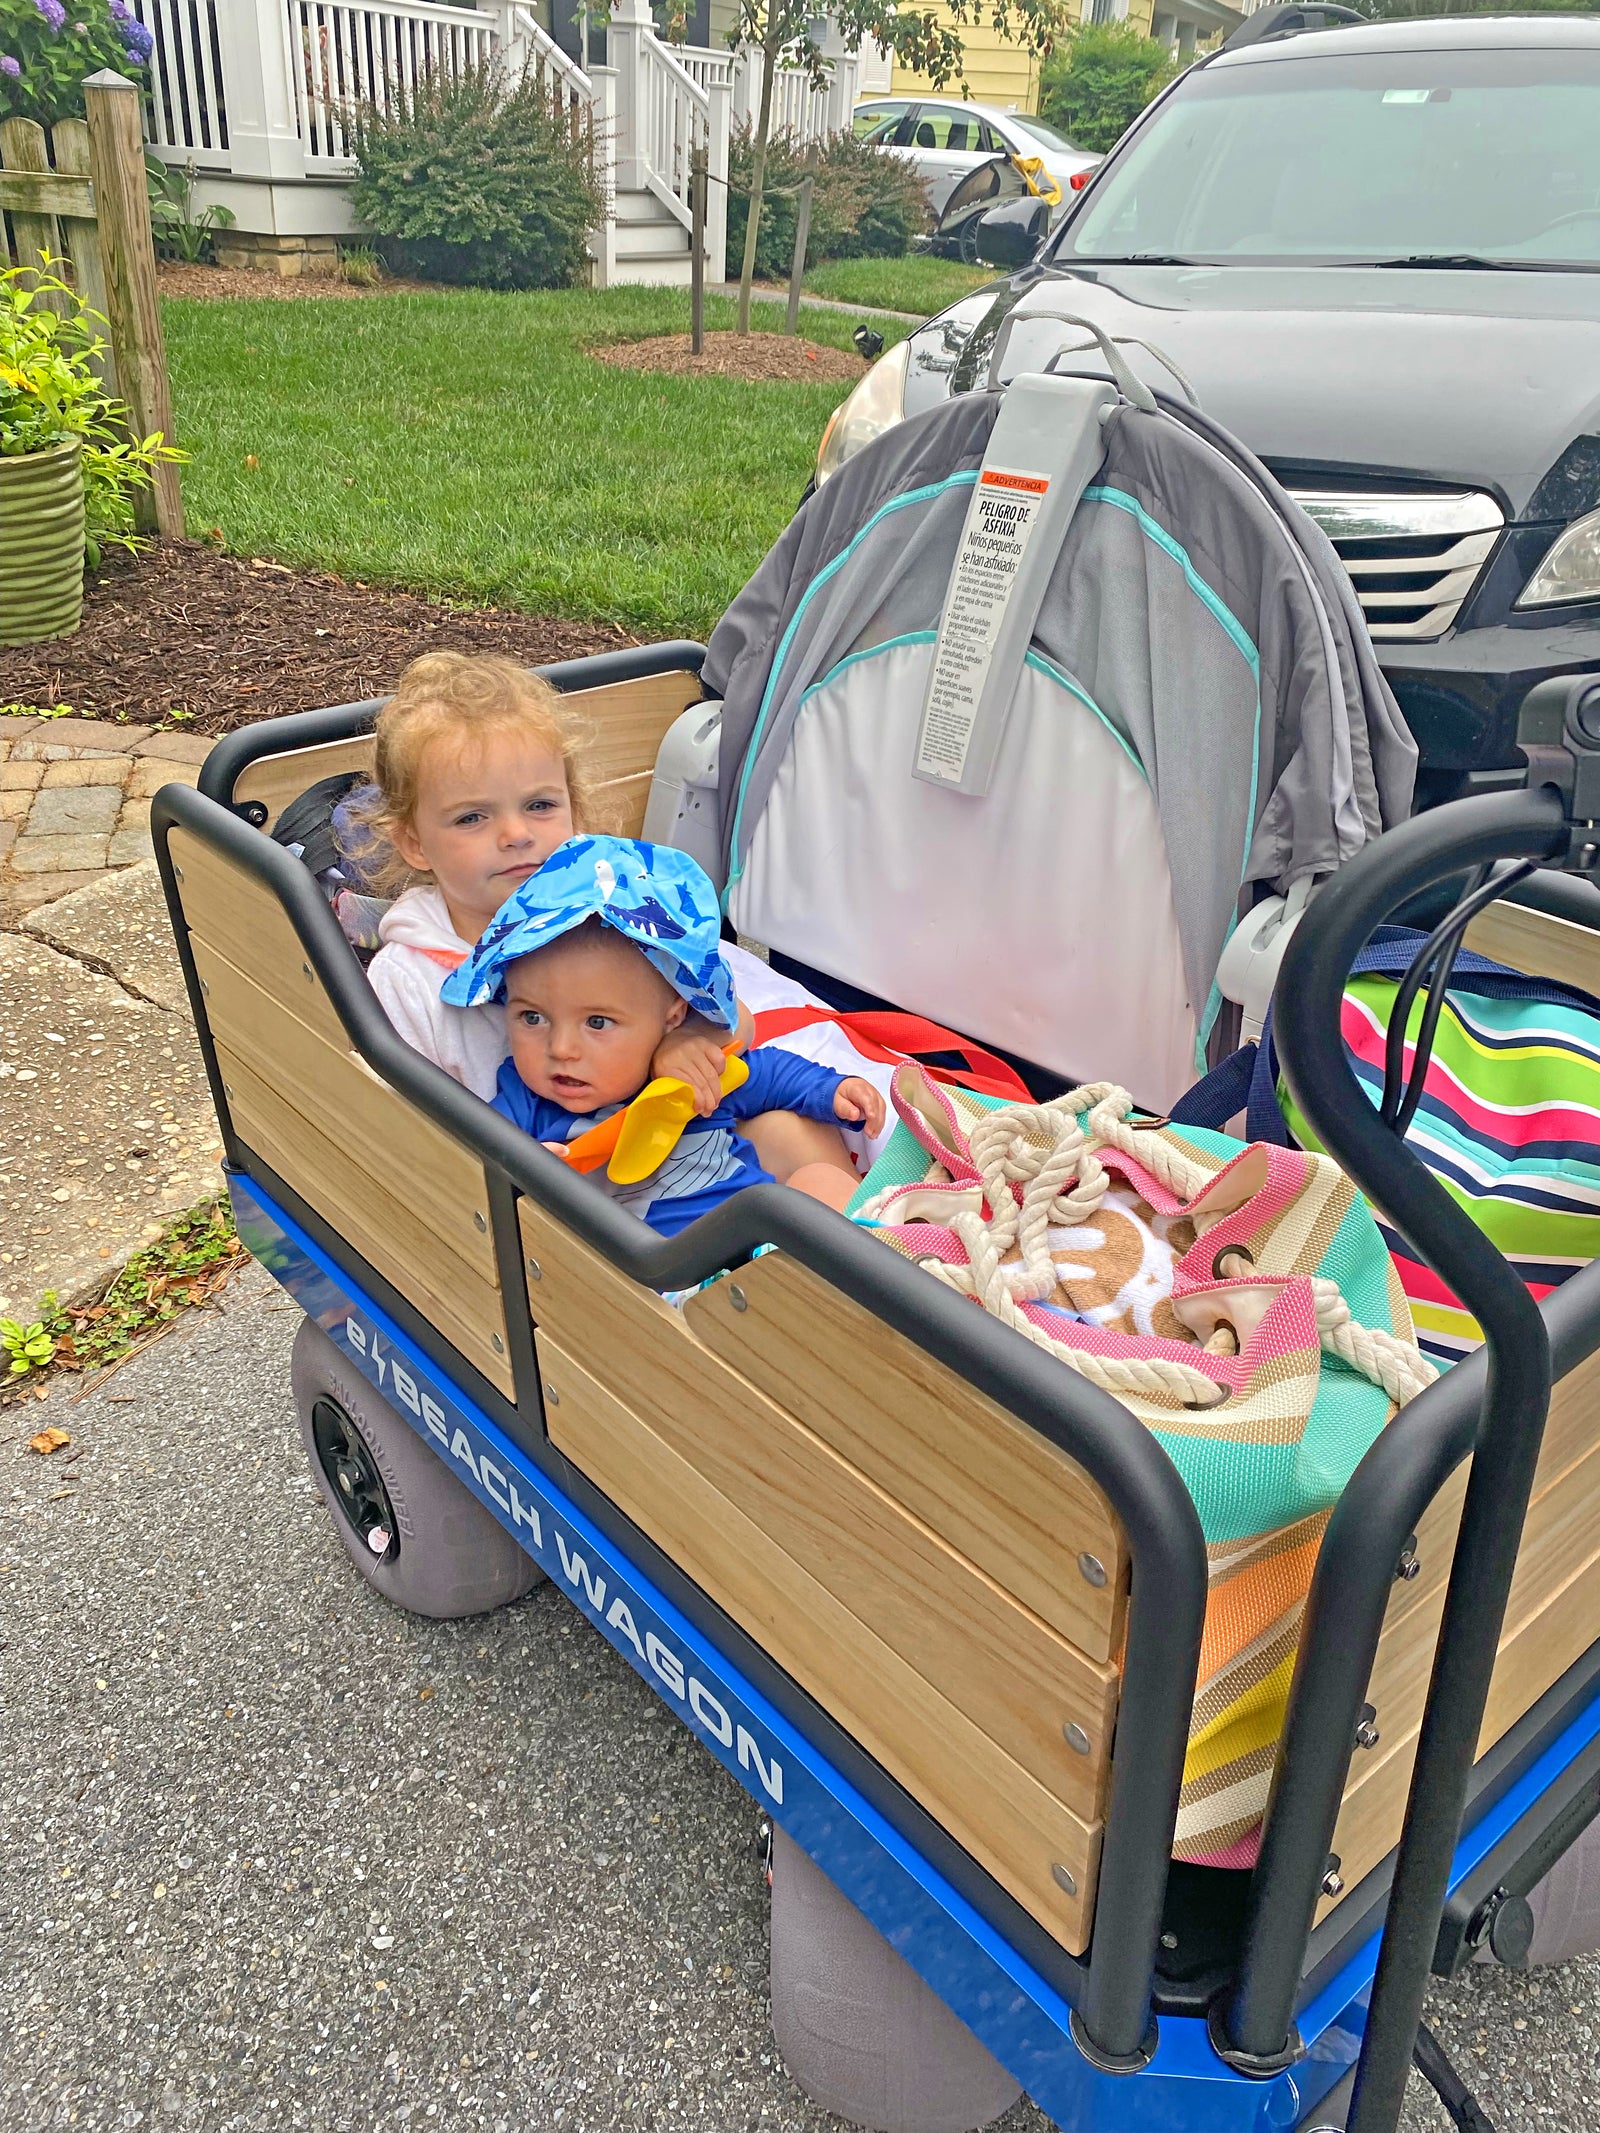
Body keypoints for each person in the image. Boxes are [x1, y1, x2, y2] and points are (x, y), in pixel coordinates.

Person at [345, 650, 752, 1115]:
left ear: (573, 810)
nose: (517, 835)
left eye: (540, 806)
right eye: (472, 817)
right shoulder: (408, 982)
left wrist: (685, 1041)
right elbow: (406, 1132)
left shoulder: (617, 911)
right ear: (415, 843)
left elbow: (738, 1017)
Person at [442, 837, 886, 1235]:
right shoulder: (525, 1100)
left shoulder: (686, 1074)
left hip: (757, 1247)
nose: (560, 1050)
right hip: (673, 1287)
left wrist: (834, 1091)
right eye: (532, 1018)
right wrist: (530, 1170)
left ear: (671, 1019)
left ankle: (888, 1272)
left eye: (597, 1023)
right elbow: (475, 1157)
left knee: (821, 1183)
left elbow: (771, 1074)